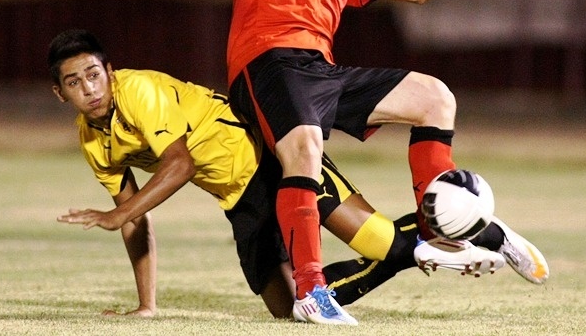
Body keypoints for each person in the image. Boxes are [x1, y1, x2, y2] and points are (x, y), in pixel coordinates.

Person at [226, 0, 549, 324]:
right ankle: (312, 292)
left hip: (319, 70)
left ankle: (439, 226)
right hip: (268, 61)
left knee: (434, 97)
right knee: (305, 152)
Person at [48, 28, 523, 323]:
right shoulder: (92, 141)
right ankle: (425, 241)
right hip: (238, 198)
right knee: (288, 308)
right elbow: (134, 219)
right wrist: (147, 304)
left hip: (273, 155)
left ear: (110, 71)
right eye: (74, 82)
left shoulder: (138, 91)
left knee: (380, 243)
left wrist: (117, 214)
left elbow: (180, 164)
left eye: (93, 74)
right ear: (59, 93)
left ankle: (479, 228)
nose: (89, 88)